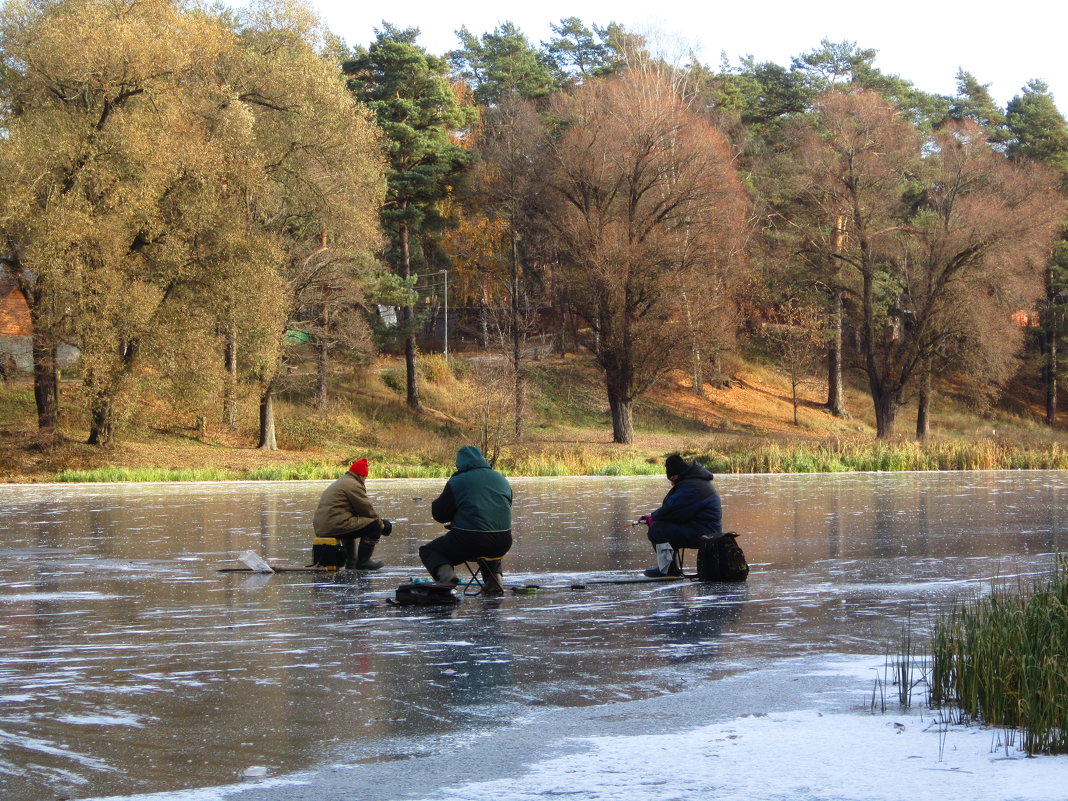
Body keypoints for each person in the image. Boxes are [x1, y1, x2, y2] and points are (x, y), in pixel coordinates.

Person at [420, 445, 513, 589]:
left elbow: (440, 515)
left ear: (460, 463)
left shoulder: (458, 481)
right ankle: (495, 580)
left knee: (429, 551)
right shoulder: (501, 479)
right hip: (503, 541)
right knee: (490, 545)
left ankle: (448, 578)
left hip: (470, 541)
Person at [638, 453, 722, 577]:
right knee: (662, 526)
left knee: (657, 528)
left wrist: (653, 518)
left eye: (671, 479)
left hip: (706, 534)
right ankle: (669, 567)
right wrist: (654, 516)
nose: (672, 483)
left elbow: (672, 511)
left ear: (677, 475)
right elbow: (678, 512)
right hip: (704, 529)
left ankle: (667, 570)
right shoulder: (694, 482)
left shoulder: (691, 487)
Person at [313, 458, 392, 570]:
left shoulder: (343, 481)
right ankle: (363, 562)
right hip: (334, 525)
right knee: (374, 525)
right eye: (365, 478)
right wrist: (382, 525)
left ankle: (352, 563)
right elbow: (366, 510)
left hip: (324, 526)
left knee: (350, 527)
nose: (365, 480)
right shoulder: (353, 485)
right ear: (361, 476)